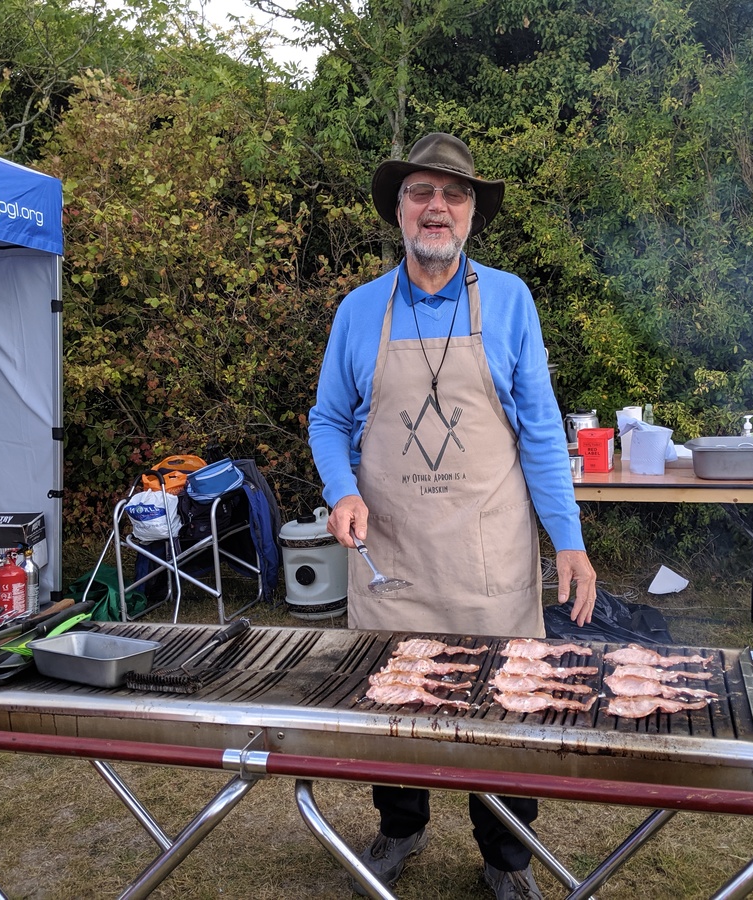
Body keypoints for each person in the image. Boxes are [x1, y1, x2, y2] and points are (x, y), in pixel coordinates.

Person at [308, 132, 598, 900]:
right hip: (391, 556)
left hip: (489, 560)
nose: (436, 206)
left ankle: (506, 859)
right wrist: (342, 489)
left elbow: (540, 428)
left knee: (503, 710)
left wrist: (567, 539)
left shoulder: (509, 300)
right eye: (420, 192)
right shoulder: (358, 310)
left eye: (453, 193)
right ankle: (400, 825)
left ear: (471, 213)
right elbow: (327, 421)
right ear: (399, 209)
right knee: (391, 704)